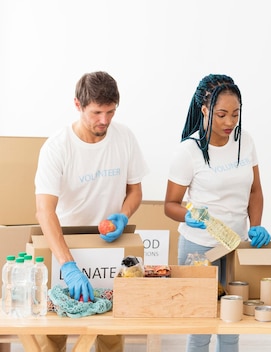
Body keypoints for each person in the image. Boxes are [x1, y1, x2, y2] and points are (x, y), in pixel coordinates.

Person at [34, 71, 149, 352]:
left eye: (111, 112)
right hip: (66, 248)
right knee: (54, 335)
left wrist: (123, 215)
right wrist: (68, 265)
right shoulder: (57, 148)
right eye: (97, 112)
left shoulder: (124, 138)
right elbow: (44, 211)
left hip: (109, 249)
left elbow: (135, 191)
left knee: (111, 336)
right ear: (78, 105)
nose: (105, 120)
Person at [164, 74, 271, 352]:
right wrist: (186, 215)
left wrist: (255, 225)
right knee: (201, 324)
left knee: (231, 324)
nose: (229, 122)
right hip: (199, 249)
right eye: (222, 114)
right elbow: (170, 204)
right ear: (204, 110)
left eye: (235, 114)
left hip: (234, 246)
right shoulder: (188, 151)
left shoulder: (245, 141)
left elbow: (255, 191)